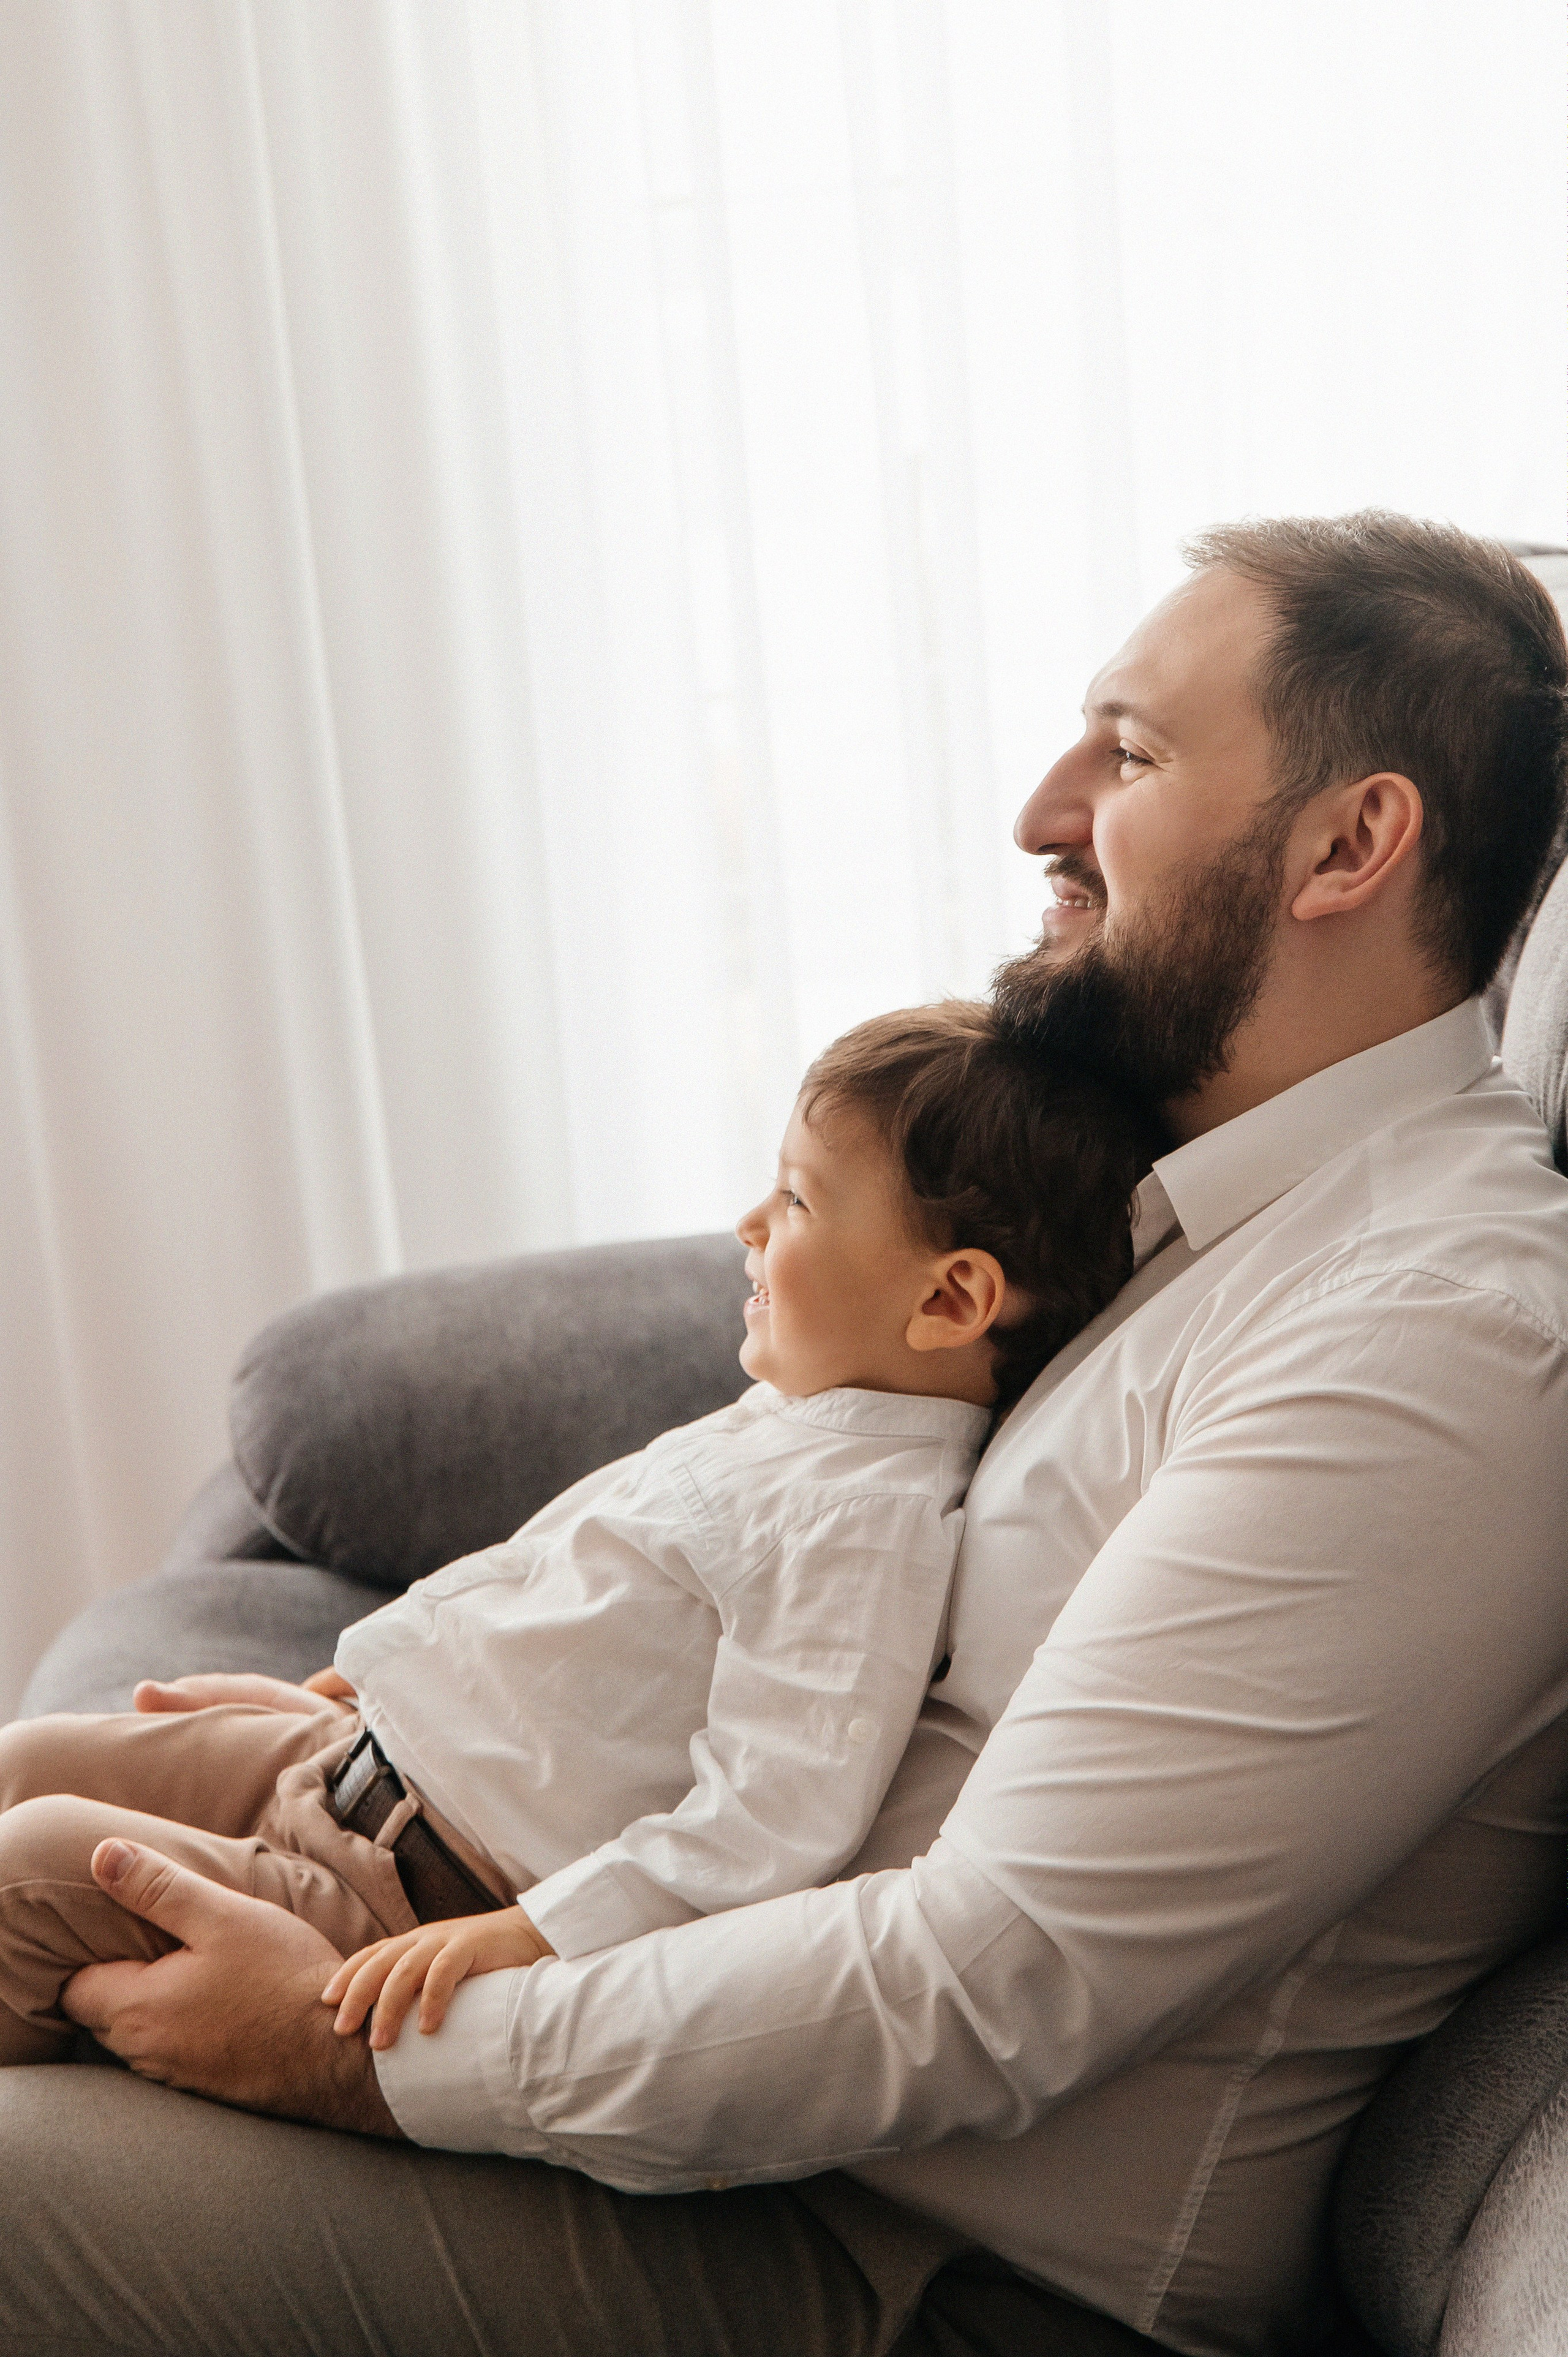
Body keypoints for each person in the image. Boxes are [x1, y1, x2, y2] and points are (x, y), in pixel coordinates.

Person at [5, 511, 1567, 2357]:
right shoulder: (1176, 1201)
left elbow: (996, 1977)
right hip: (717, 2116)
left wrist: (359, 2051)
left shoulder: (1436, 1338)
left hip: (916, 2260)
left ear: (1351, 843)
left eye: (1132, 752)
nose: (1043, 809)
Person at [0, 1006, 1152, 2067]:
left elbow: (771, 1823)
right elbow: (563, 1601)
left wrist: (533, 1938)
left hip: (410, 1894)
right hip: (342, 1772)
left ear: (949, 1301)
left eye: (798, 1202)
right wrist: (364, 1692)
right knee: (30, 1762)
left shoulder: (862, 1527)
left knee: (37, 1860)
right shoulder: (799, 1422)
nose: (748, 1224)